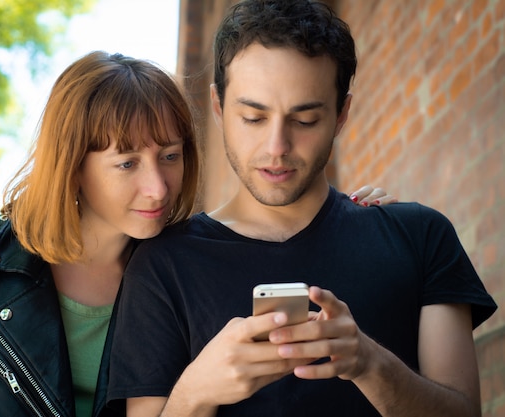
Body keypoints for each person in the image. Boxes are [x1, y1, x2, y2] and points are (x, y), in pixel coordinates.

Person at [0, 48, 392, 417]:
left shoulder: (181, 263)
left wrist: (339, 213)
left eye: (170, 156)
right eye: (126, 162)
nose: (158, 186)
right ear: (73, 166)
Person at [104, 1, 498, 417]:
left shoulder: (420, 235)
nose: (277, 147)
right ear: (219, 108)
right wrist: (197, 391)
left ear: (341, 114)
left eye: (305, 120)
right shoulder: (163, 263)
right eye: (254, 117)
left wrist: (369, 363)